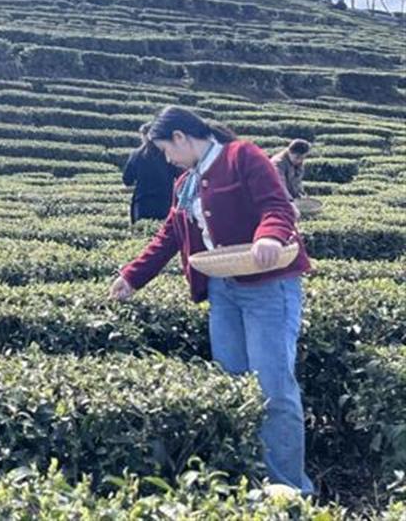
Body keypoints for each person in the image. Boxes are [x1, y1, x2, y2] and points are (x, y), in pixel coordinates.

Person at [107, 106, 313, 494]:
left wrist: (268, 236)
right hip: (223, 287)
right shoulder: (186, 180)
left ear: (182, 137)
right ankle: (249, 478)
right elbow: (170, 233)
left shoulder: (242, 156)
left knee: (274, 389)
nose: (168, 159)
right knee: (233, 383)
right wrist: (133, 276)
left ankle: (289, 489)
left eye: (167, 149)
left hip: (268, 287)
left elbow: (277, 206)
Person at [122, 122, 180, 223]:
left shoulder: (137, 154)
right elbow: (179, 175)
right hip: (165, 202)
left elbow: (127, 180)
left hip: (143, 204)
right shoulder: (168, 152)